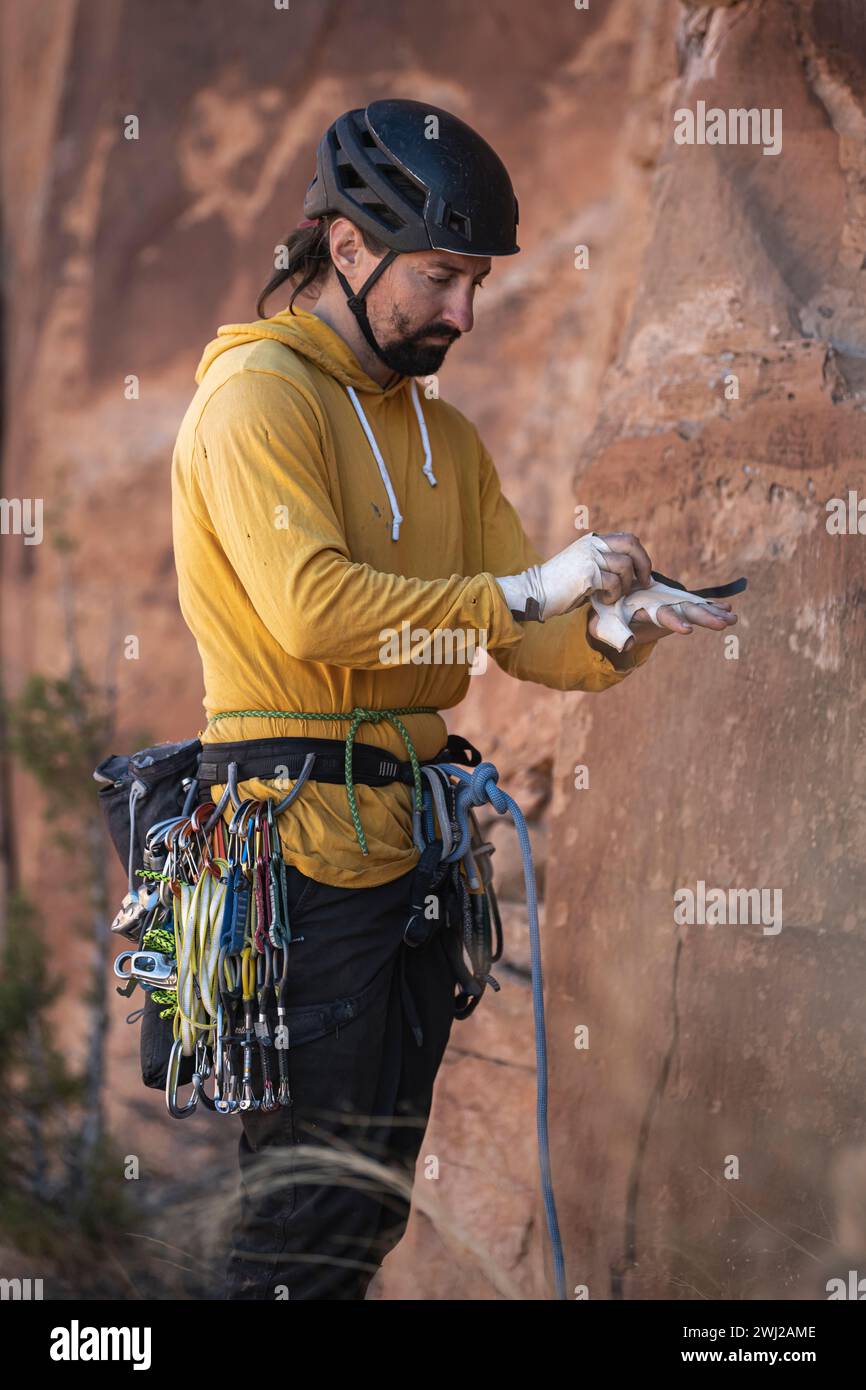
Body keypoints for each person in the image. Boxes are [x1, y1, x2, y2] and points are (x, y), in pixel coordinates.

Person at [169, 99, 737, 1301]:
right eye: (440, 276)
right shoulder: (256, 400)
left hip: (405, 857)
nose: (463, 314)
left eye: (475, 282)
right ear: (349, 247)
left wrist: (618, 627)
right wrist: (530, 587)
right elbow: (314, 611)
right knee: (301, 1213)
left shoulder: (444, 439)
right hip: (294, 858)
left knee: (365, 1202)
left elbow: (526, 641)